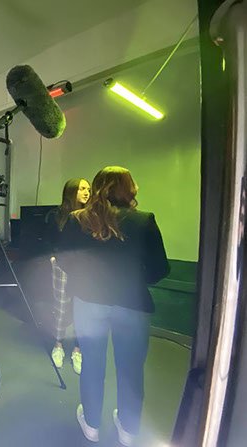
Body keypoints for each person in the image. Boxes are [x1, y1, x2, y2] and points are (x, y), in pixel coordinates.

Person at [57, 167, 169, 446]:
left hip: (88, 301)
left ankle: (91, 425)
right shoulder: (144, 221)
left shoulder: (77, 220)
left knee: (92, 363)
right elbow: (160, 268)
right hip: (132, 303)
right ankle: (128, 429)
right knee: (131, 369)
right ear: (128, 188)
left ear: (97, 187)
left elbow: (64, 261)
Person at [44, 178, 90, 374]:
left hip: (84, 269)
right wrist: (52, 258)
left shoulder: (91, 215)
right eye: (82, 189)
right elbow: (47, 239)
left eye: (88, 189)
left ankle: (77, 350)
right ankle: (58, 346)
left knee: (82, 309)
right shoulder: (56, 215)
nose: (87, 192)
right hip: (62, 267)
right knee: (61, 307)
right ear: (72, 191)